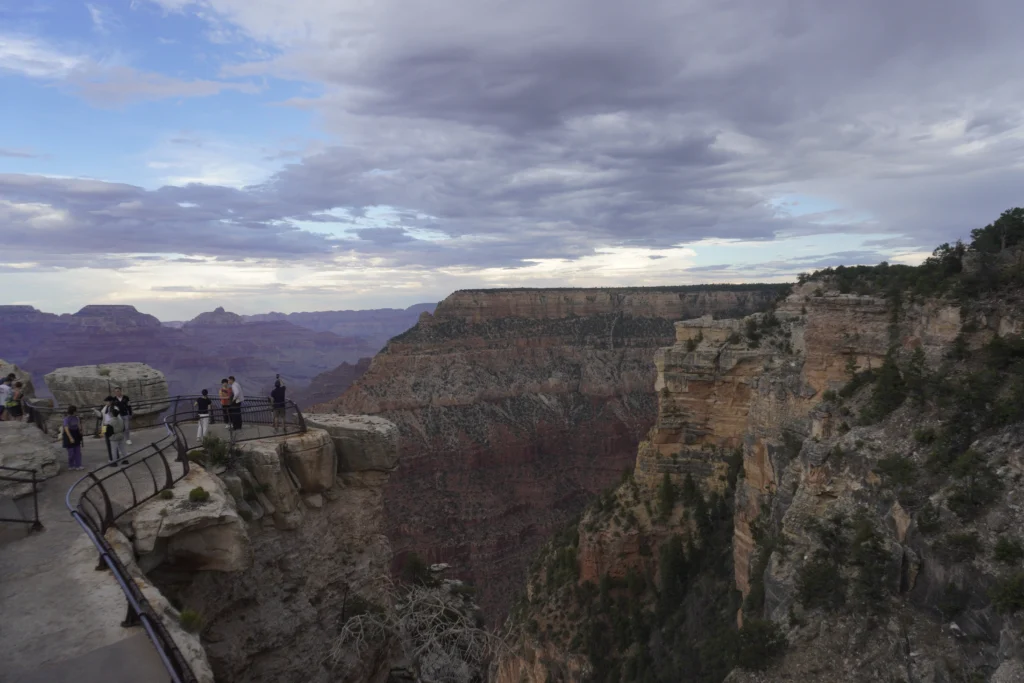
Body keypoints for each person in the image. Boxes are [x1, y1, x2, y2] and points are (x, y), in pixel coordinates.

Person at [62, 405, 84, 471]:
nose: (77, 412)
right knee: (71, 452)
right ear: (73, 411)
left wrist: (81, 431)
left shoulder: (76, 418)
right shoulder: (66, 419)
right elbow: (66, 428)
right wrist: (70, 438)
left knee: (77, 451)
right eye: (76, 411)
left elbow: (79, 426)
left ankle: (78, 465)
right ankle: (71, 465)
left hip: (76, 434)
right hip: (69, 434)